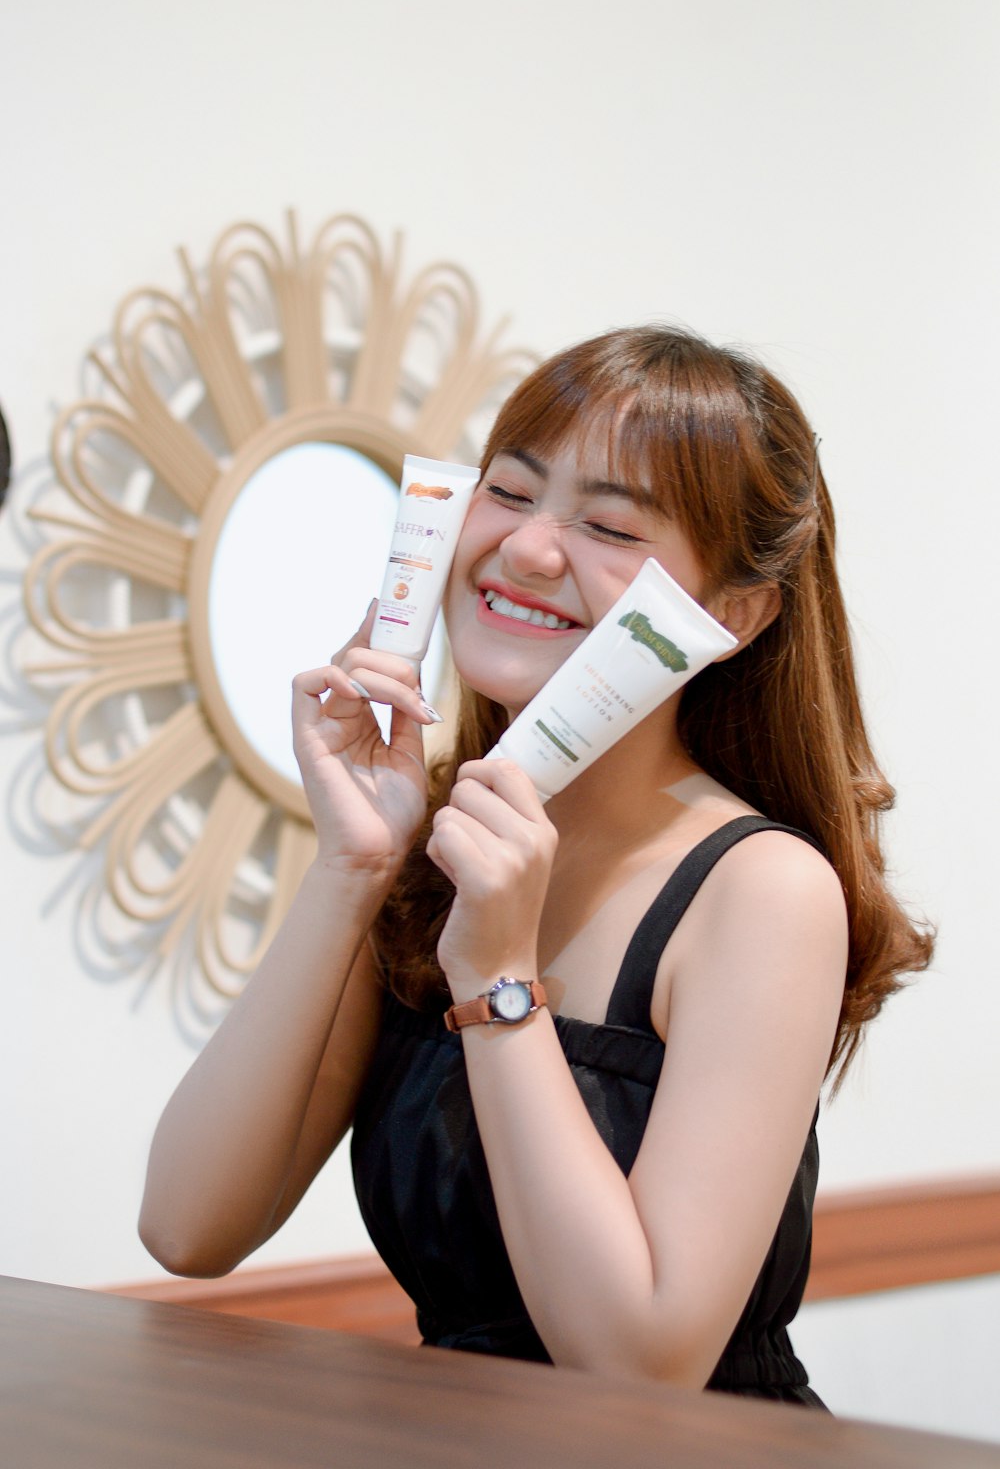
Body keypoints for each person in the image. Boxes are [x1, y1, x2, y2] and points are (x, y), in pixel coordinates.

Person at [139, 326, 931, 1403]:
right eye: (509, 492)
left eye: (609, 525)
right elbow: (188, 1226)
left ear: (734, 614)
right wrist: (350, 870)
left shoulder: (760, 890)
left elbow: (640, 1361)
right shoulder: (433, 853)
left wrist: (500, 974)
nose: (525, 549)